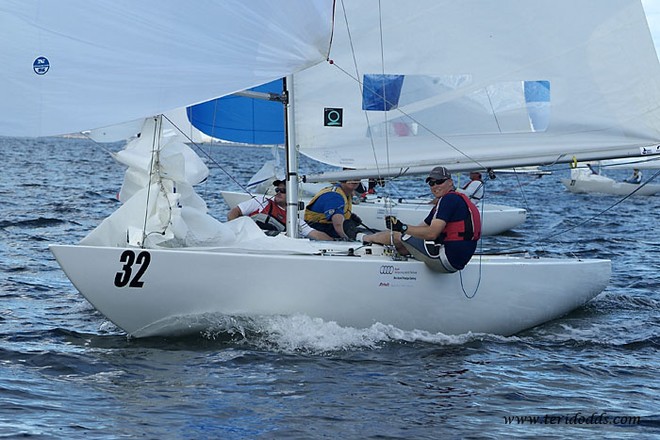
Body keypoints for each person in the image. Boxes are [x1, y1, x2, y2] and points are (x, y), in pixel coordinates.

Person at [362, 166, 481, 272]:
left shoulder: (449, 200)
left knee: (399, 236)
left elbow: (431, 234)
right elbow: (419, 229)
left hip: (446, 260)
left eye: (439, 182)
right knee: (403, 245)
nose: (435, 186)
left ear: (450, 182)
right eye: (431, 183)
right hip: (458, 261)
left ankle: (364, 238)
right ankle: (378, 247)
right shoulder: (453, 200)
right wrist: (402, 229)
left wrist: (402, 227)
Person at [227, 180, 332, 240]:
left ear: (292, 195)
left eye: (283, 191)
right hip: (247, 239)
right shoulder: (261, 202)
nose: (278, 192)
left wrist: (336, 241)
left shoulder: (294, 220)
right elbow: (234, 212)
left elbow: (315, 234)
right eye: (277, 190)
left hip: (269, 246)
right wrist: (236, 230)